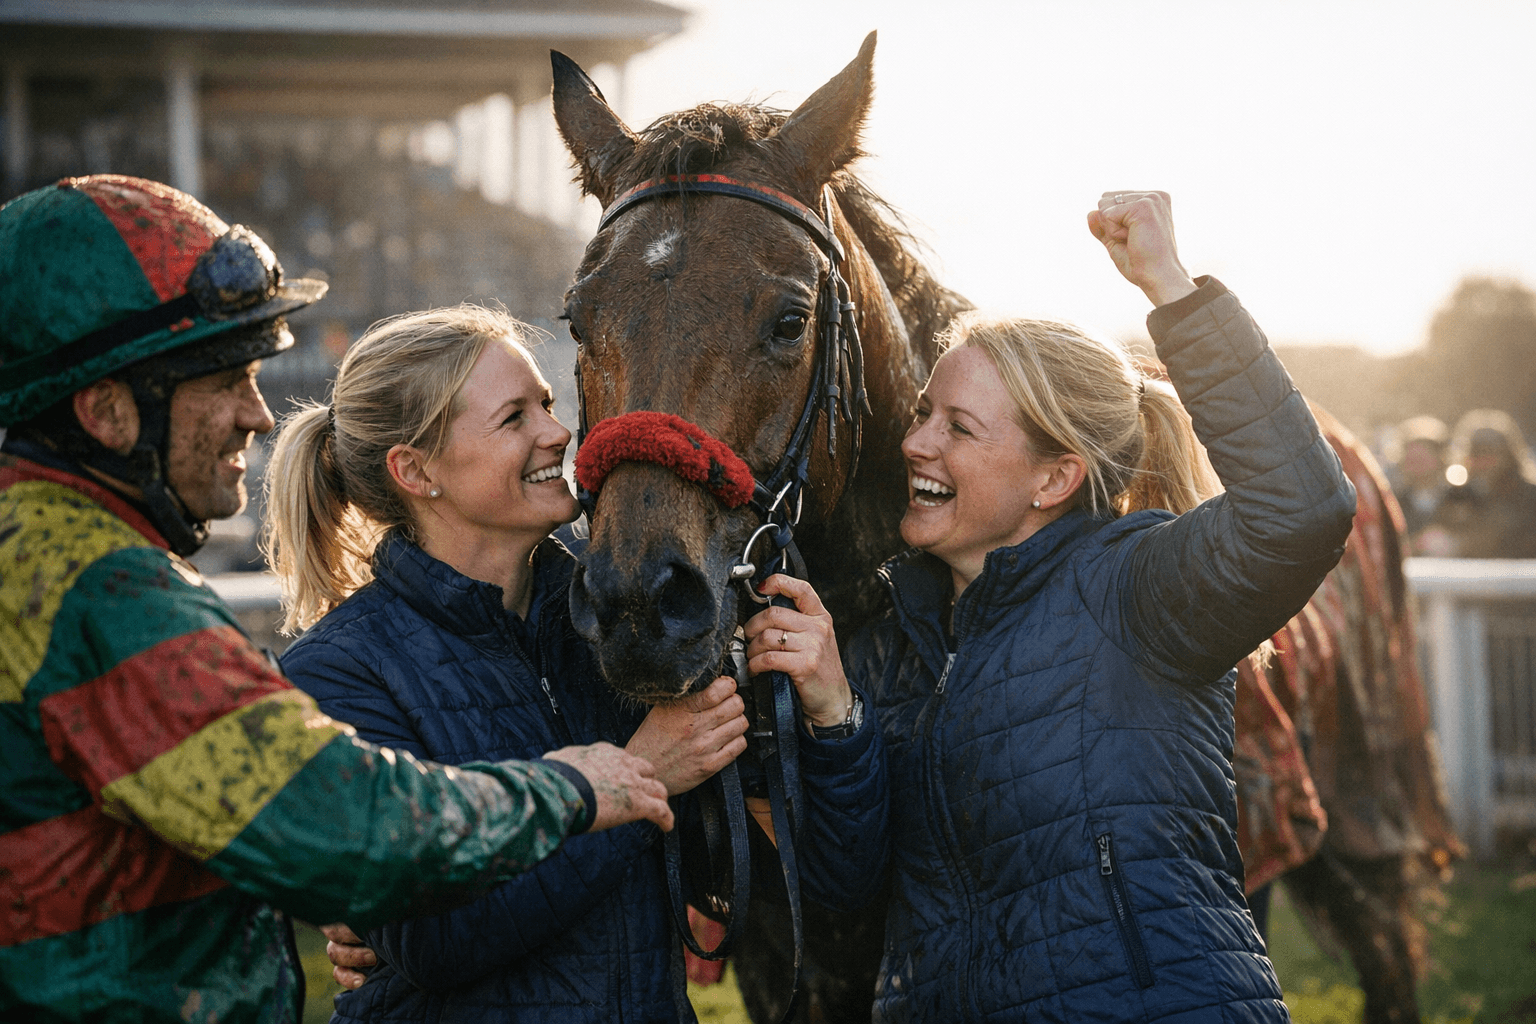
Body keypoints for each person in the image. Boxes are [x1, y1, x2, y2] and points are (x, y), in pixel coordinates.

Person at [0, 175, 673, 1024]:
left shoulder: (46, 557)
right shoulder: (88, 585)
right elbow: (343, 826)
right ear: (106, 411)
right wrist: (576, 791)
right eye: (226, 380)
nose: (257, 415)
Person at [741, 191, 1357, 1021]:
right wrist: (835, 716)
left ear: (1054, 479)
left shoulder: (1134, 587)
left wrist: (1170, 286)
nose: (917, 442)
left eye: (959, 427)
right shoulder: (889, 642)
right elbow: (846, 892)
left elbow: (1302, 509)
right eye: (924, 413)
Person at [266, 304, 886, 1022]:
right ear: (417, 470)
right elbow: (437, 941)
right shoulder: (338, 673)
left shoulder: (624, 628)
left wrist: (832, 715)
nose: (559, 435)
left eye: (549, 405)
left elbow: (835, 882)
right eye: (514, 418)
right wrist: (642, 777)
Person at [1436, 408, 1536, 558]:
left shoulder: (1529, 495)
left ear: (1508, 455)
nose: (1484, 462)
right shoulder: (1457, 494)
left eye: (1491, 453)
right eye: (1477, 454)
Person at [1385, 414, 1454, 554]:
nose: (1416, 466)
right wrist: (1414, 545)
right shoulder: (1392, 502)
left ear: (1441, 458)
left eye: (1422, 459)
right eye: (1411, 460)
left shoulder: (1461, 498)